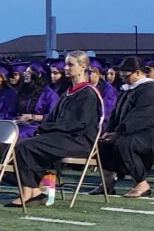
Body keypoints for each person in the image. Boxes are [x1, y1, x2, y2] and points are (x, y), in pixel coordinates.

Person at [9, 51, 102, 207]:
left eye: (70, 64)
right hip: (64, 137)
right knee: (24, 143)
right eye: (66, 64)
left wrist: (48, 128)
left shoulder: (88, 94)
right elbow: (53, 119)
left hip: (79, 140)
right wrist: (44, 128)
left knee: (26, 146)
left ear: (83, 67)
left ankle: (31, 192)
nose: (66, 68)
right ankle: (34, 192)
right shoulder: (68, 93)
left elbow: (78, 124)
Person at [95, 57, 154, 198]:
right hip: (134, 131)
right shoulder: (127, 90)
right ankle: (107, 182)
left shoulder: (151, 89)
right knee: (103, 143)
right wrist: (109, 131)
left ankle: (141, 183)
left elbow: (141, 115)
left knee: (126, 144)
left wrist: (119, 133)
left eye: (126, 76)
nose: (123, 80)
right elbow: (116, 114)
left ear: (138, 73)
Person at [16, 62, 59, 139]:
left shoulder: (50, 95)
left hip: (38, 128)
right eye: (25, 72)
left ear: (39, 74)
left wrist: (32, 117)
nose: (25, 74)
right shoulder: (27, 91)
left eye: (29, 72)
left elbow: (52, 117)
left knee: (17, 136)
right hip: (23, 125)